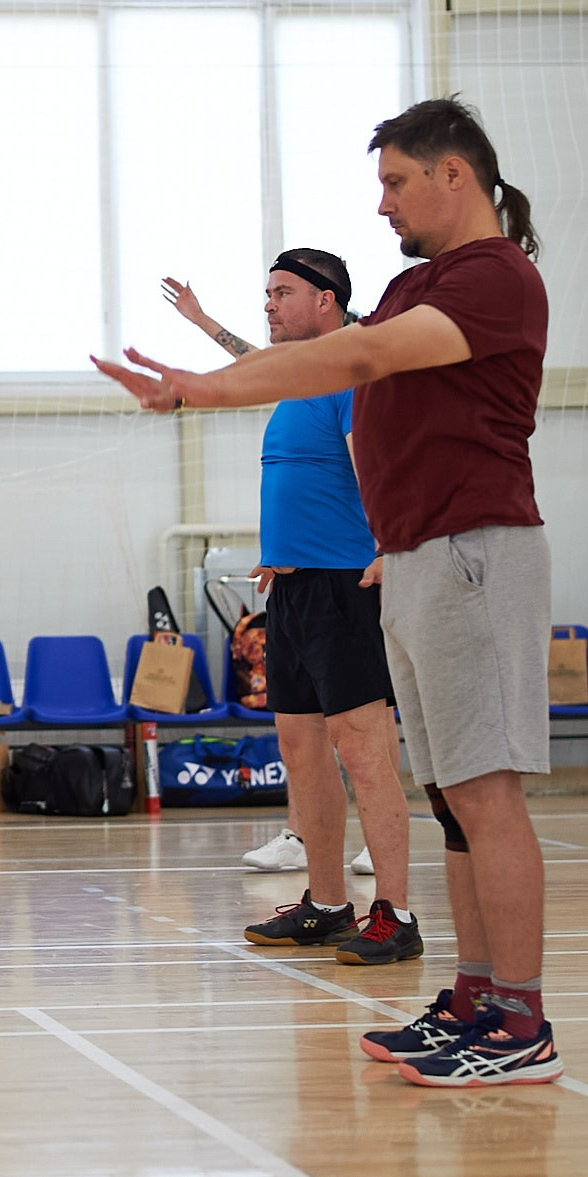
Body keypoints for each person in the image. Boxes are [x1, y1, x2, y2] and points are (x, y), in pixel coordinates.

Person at [95, 97, 556, 1087]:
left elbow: (351, 357)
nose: (382, 203)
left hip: (471, 548)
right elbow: (334, 361)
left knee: (485, 791)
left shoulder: (490, 279)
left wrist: (200, 386)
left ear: (453, 175)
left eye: (394, 181)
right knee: (451, 795)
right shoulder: (415, 283)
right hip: (422, 552)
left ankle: (519, 1020)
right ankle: (474, 997)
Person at [165, 257, 409, 955]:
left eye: (281, 293)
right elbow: (251, 363)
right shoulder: (297, 379)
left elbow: (377, 469)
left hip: (346, 587)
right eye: (265, 294)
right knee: (302, 753)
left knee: (363, 753)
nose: (268, 305)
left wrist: (389, 545)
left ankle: (395, 914)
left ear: (326, 301)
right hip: (294, 589)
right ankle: (327, 902)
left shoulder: (349, 378)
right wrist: (205, 324)